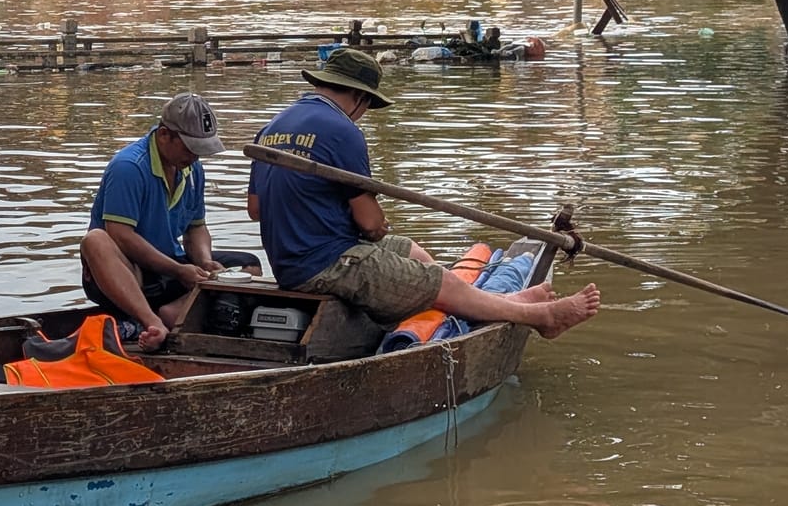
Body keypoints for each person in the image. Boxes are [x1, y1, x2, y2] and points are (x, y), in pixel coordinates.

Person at [248, 49, 599, 338]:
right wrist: (376, 227)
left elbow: (255, 209)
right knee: (440, 280)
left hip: (291, 260)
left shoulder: (273, 127)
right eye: (367, 106)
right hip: (326, 264)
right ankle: (542, 318)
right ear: (359, 97)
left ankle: (502, 301)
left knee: (411, 251)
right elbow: (369, 222)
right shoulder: (343, 130)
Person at [81, 93, 262, 350]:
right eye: (190, 149)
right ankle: (152, 321)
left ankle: (175, 311)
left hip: (166, 269)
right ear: (165, 135)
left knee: (248, 267)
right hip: (129, 274)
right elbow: (121, 235)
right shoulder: (129, 167)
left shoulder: (191, 168)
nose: (196, 157)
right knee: (95, 240)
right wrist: (178, 270)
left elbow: (195, 226)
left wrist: (204, 260)